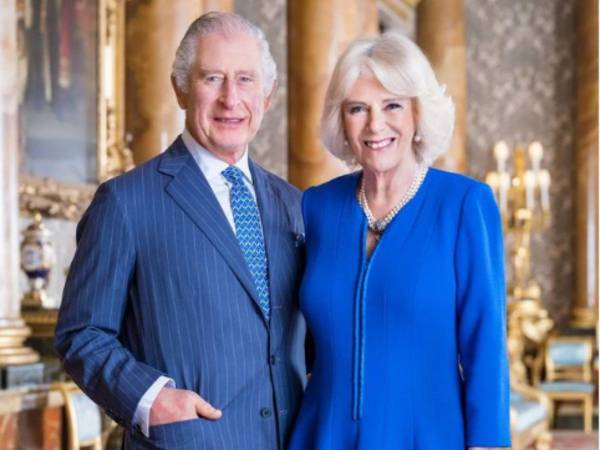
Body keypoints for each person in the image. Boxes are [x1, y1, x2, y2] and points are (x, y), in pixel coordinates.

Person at [55, 12, 307, 450]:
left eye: (245, 79)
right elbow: (82, 334)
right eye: (212, 78)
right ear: (181, 88)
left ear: (267, 96)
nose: (231, 98)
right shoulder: (126, 202)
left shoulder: (295, 205)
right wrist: (151, 399)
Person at [288, 32, 511, 450]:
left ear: (417, 114)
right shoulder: (316, 207)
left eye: (392, 105)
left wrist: (488, 443)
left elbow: (486, 342)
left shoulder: (464, 204)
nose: (375, 125)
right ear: (342, 121)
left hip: (427, 436)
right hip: (323, 435)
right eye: (358, 109)